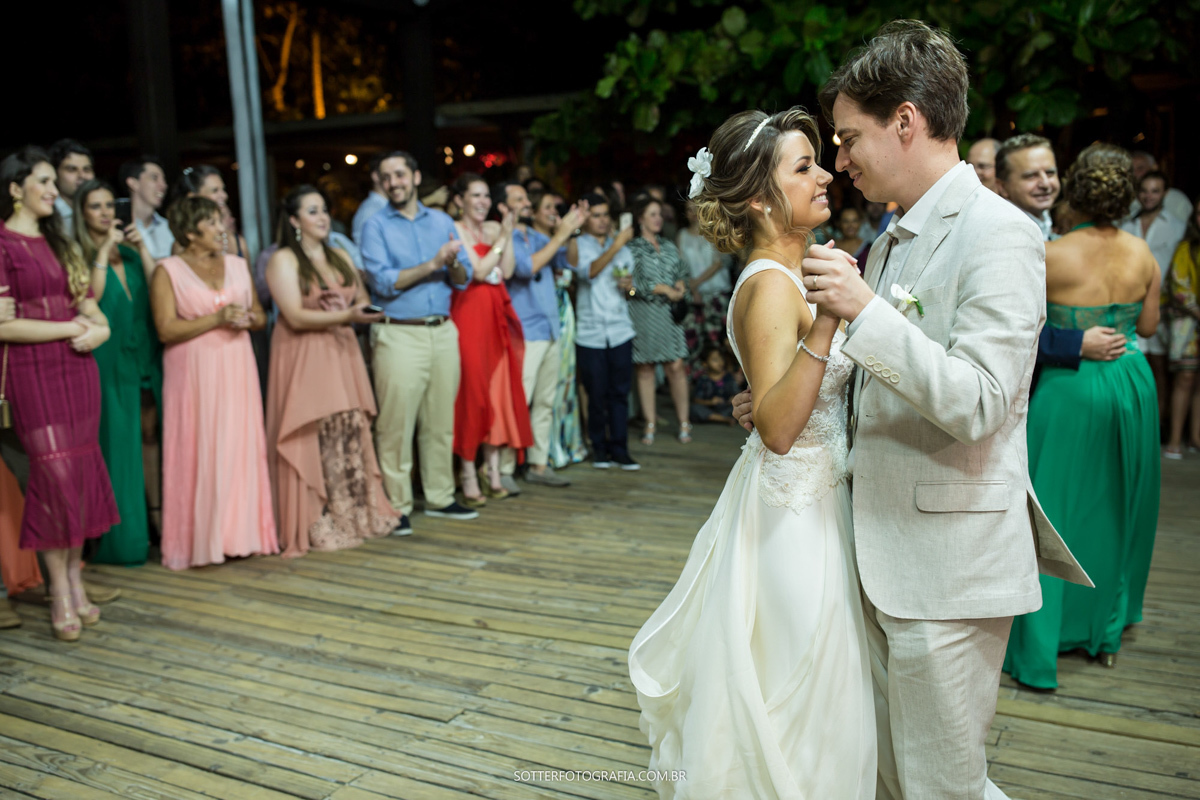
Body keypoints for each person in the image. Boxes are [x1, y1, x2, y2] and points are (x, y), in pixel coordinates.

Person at [733, 21, 1089, 798]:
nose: (840, 160)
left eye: (849, 137)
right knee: (895, 776)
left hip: (948, 567)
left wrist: (865, 314)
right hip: (874, 551)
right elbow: (882, 374)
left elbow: (983, 402)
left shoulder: (1000, 234)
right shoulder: (896, 235)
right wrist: (802, 389)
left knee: (941, 785)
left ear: (906, 121)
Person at [631, 107, 876, 797]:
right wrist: (829, 318)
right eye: (804, 167)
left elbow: (771, 400)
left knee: (827, 680)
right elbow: (776, 428)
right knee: (802, 682)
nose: (827, 173)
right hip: (791, 515)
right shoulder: (772, 284)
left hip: (824, 499)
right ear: (761, 200)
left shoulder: (801, 270)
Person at [1004, 149, 1161, 687]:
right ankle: (1104, 634)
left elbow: (1021, 327)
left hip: (1070, 391)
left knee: (1054, 513)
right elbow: (1149, 321)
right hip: (1131, 382)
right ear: (1126, 197)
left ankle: (1040, 644)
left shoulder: (1051, 254)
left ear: (1075, 191)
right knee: (1121, 507)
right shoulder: (1145, 254)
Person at [0, 146, 118, 640]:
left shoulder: (60, 242)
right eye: (43, 182)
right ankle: (61, 592)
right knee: (53, 479)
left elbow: (88, 306)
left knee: (79, 474)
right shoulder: (3, 245)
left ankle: (74, 577)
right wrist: (70, 327)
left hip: (78, 370)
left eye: (53, 182)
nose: (54, 191)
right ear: (14, 189)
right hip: (32, 373)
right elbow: (3, 326)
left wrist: (101, 330)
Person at [264, 185, 397, 556]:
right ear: (293, 221)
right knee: (313, 432)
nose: (322, 217)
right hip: (304, 352)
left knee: (347, 428)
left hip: (341, 350)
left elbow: (360, 296)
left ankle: (353, 513)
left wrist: (363, 309)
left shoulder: (338, 254)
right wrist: (345, 315)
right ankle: (314, 518)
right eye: (312, 211)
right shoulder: (283, 260)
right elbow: (293, 315)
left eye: (323, 210)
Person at [150, 196, 277, 569]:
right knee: (198, 448)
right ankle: (200, 540)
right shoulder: (167, 271)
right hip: (193, 372)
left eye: (221, 221)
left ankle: (243, 535)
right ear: (191, 233)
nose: (223, 229)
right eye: (213, 223)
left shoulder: (238, 265)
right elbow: (165, 328)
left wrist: (247, 320)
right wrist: (217, 318)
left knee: (239, 445)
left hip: (237, 366)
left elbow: (259, 317)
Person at [360, 151, 477, 535]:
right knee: (396, 425)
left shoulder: (441, 220)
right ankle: (397, 507)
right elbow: (382, 282)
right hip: (399, 332)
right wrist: (433, 263)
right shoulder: (375, 226)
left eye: (400, 174)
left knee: (440, 421)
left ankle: (441, 496)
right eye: (386, 177)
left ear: (414, 176)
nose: (394, 182)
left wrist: (453, 263)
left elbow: (462, 277)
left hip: (442, 330)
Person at [75, 180, 163, 566]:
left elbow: (160, 286)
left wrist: (141, 247)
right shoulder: (79, 255)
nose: (107, 212)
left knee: (151, 438)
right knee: (117, 445)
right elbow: (88, 299)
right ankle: (120, 540)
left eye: (110, 205)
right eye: (96, 206)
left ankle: (155, 526)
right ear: (82, 213)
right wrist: (104, 250)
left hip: (144, 353)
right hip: (107, 362)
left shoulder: (130, 254)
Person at [496, 181, 587, 490]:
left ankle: (538, 462)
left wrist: (572, 231)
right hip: (524, 329)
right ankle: (506, 468)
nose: (524, 203)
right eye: (517, 198)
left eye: (524, 198)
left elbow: (571, 261)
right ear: (504, 206)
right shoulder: (508, 238)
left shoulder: (537, 237)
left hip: (549, 326)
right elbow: (525, 267)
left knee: (545, 400)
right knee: (520, 398)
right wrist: (560, 235)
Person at [448, 173, 530, 504]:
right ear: (460, 200)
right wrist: (503, 238)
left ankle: (492, 468)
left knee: (497, 391)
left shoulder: (495, 229)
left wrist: (504, 236)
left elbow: (506, 270)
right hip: (468, 314)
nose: (482, 201)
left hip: (496, 311)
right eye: (475, 195)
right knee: (472, 392)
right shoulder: (455, 230)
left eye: (485, 196)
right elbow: (479, 271)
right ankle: (467, 469)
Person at [568, 194, 639, 471]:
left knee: (619, 393)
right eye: (595, 215)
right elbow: (589, 272)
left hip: (620, 329)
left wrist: (629, 287)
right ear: (586, 219)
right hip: (590, 332)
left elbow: (630, 289)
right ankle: (599, 448)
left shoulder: (622, 249)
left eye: (604, 215)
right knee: (595, 393)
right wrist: (617, 244)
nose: (602, 220)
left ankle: (620, 449)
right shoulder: (579, 245)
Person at [530, 189, 589, 469]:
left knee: (564, 382)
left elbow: (573, 263)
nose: (554, 212)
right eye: (548, 207)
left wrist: (573, 232)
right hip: (539, 315)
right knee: (538, 388)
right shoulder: (531, 240)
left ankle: (562, 444)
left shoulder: (559, 240)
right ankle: (539, 452)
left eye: (557, 207)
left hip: (563, 313)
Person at [1122, 170, 1187, 419]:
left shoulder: (1178, 226)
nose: (1149, 196)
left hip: (1165, 304)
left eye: (1155, 191)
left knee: (1161, 366)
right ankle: (1139, 417)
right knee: (1138, 361)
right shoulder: (1126, 223)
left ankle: (1160, 423)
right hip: (1132, 302)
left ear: (1165, 193)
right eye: (1144, 190)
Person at [627, 194, 692, 445]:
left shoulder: (668, 245)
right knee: (645, 368)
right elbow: (633, 283)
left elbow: (682, 271)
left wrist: (680, 284)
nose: (658, 219)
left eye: (659, 214)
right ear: (640, 218)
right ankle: (650, 423)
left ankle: (684, 422)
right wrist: (663, 289)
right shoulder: (632, 248)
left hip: (669, 313)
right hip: (644, 312)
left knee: (676, 366)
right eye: (652, 214)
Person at [1163, 202, 1200, 458]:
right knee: (1185, 378)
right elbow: (1178, 284)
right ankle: (1175, 439)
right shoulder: (1186, 248)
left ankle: (1196, 437)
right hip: (1189, 321)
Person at [677, 201, 733, 368]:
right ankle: (700, 379)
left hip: (716, 291)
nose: (693, 213)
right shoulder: (682, 235)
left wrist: (695, 284)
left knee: (718, 337)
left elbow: (718, 263)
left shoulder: (712, 231)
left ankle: (724, 380)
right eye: (689, 210)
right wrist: (692, 288)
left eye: (696, 209)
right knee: (695, 338)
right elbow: (681, 265)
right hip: (693, 294)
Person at [172, 165, 251, 260]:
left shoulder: (238, 242)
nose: (224, 196)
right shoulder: (181, 246)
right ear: (193, 197)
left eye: (223, 189)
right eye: (215, 190)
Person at [996, 133, 1060, 240]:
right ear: (1002, 187)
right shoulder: (1001, 235)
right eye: (1031, 176)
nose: (1045, 184)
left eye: (1050, 173)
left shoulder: (1050, 222)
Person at [120, 156, 174, 261]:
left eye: (164, 180)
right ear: (133, 183)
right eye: (154, 178)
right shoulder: (120, 228)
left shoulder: (169, 228)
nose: (164, 185)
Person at [1130, 151, 1193, 222]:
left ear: (1154, 167)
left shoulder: (1176, 199)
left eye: (1140, 168)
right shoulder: (1127, 198)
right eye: (1131, 169)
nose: (1134, 173)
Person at [49, 139, 94, 232]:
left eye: (87, 169)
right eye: (72, 169)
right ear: (55, 174)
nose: (82, 176)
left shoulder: (99, 213)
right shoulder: (49, 216)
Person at [689, 345, 740, 425]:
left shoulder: (729, 377)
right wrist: (710, 402)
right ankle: (723, 419)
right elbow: (696, 400)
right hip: (709, 408)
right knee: (694, 409)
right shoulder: (703, 379)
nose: (720, 362)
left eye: (721, 359)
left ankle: (715, 418)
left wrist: (733, 399)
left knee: (741, 408)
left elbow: (737, 393)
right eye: (715, 360)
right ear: (705, 364)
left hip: (726, 408)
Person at [352, 154, 389, 245]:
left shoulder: (385, 206)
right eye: (388, 174)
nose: (395, 180)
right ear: (376, 176)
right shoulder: (371, 211)